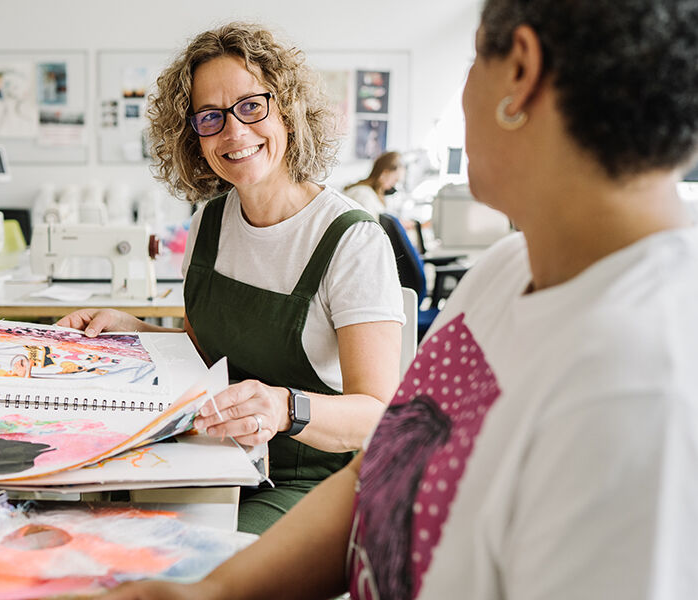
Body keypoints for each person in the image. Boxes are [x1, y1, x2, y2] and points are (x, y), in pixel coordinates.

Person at [101, 0, 698, 598]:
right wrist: (211, 593)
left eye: (470, 61)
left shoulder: (645, 385)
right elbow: (383, 465)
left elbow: (368, 423)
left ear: (519, 69)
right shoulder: (505, 274)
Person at [57, 23, 405, 534]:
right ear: (193, 134)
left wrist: (286, 408)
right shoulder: (210, 223)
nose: (234, 133)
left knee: (188, 570)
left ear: (286, 109)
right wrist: (131, 331)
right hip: (211, 457)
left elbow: (377, 414)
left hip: (309, 481)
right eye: (211, 117)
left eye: (251, 106)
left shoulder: (351, 239)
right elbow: (206, 359)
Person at [344, 151, 406, 217]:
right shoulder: (363, 194)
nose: (394, 185)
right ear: (384, 173)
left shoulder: (375, 194)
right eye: (395, 180)